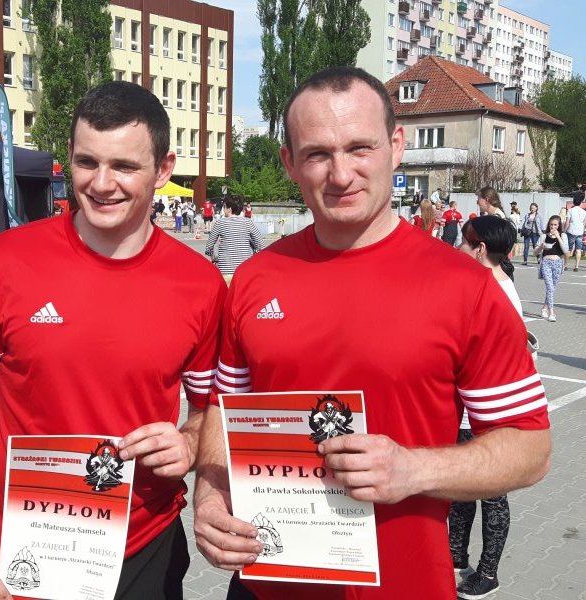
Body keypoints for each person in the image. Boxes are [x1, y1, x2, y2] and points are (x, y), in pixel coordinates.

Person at [193, 67, 550, 600]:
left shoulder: (466, 287)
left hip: (404, 585)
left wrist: (414, 469)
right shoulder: (254, 279)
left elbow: (531, 448)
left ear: (396, 146)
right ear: (290, 162)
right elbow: (225, 410)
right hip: (267, 583)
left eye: (360, 148)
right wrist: (209, 495)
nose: (341, 174)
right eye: (318, 153)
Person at [0, 81, 227, 600]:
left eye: (124, 166)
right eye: (87, 162)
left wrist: (190, 444)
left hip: (143, 546)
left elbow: (209, 408)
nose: (102, 184)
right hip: (26, 549)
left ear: (163, 169)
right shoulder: (6, 261)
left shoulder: (200, 284)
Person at [449, 215, 522, 599]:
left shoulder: (498, 292)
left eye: (464, 241)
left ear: (480, 249)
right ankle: (455, 560)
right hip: (465, 413)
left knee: (492, 495)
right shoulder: (477, 284)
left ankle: (488, 573)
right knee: (461, 490)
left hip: (490, 416)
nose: (457, 247)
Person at [204, 195, 264, 279]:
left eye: (224, 207)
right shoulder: (248, 222)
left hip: (225, 270)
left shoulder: (220, 223)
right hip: (245, 271)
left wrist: (213, 257)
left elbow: (209, 247)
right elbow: (261, 245)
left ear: (230, 209)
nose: (223, 209)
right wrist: (252, 254)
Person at [534, 215, 569, 322]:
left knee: (552, 288)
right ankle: (552, 312)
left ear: (559, 226)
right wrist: (541, 247)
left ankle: (544, 308)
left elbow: (566, 251)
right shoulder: (543, 236)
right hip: (546, 263)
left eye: (555, 225)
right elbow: (535, 252)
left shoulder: (563, 235)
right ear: (548, 225)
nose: (553, 227)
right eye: (551, 225)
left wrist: (558, 237)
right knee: (549, 287)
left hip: (558, 263)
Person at [563, 192, 585, 271]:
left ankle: (565, 265)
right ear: (581, 202)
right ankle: (577, 266)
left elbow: (567, 222)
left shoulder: (570, 210)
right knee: (578, 249)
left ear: (574, 201)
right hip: (580, 231)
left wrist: (564, 231)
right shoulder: (584, 212)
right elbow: (584, 223)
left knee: (569, 249)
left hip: (571, 231)